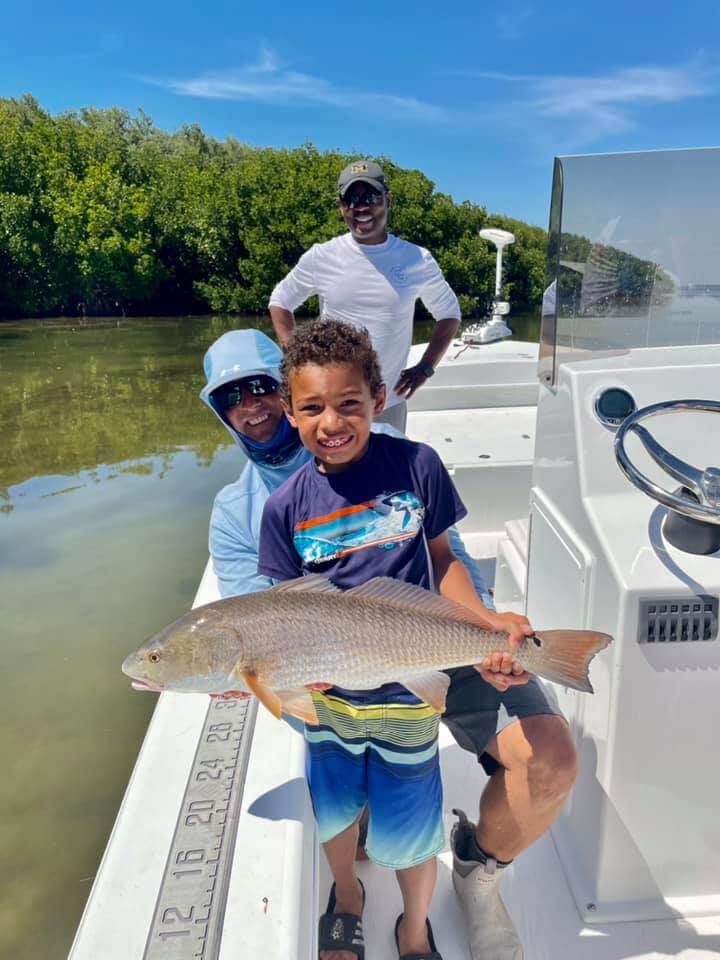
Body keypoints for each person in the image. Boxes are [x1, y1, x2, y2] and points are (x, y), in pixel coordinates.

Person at [201, 327, 575, 960]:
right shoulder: (252, 511)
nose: (254, 404)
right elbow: (257, 630)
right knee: (354, 807)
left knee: (550, 760)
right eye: (233, 396)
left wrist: (489, 631)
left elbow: (441, 556)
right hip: (337, 670)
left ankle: (477, 874)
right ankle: (355, 884)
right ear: (293, 410)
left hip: (434, 636)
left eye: (261, 385)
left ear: (374, 398)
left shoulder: (406, 457)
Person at [268, 160, 461, 432]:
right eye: (351, 199)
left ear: (388, 200)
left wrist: (425, 367)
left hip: (388, 404)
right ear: (341, 206)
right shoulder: (322, 256)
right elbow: (280, 301)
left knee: (390, 475)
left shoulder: (417, 259)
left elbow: (449, 314)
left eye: (370, 197)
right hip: (331, 406)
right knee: (332, 475)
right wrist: (296, 360)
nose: (361, 207)